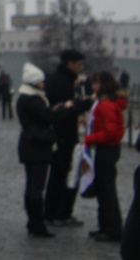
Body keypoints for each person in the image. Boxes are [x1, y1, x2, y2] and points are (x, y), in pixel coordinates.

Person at [16, 61, 73, 238]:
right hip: (38, 145)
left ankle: (33, 222)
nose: (44, 84)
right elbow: (49, 116)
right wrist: (67, 108)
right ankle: (37, 223)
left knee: (32, 185)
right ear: (35, 83)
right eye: (41, 81)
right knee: (36, 187)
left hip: (29, 144)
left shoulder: (25, 98)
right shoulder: (33, 100)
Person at [44, 48, 90, 227]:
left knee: (57, 175)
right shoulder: (63, 82)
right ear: (70, 64)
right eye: (79, 64)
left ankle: (51, 212)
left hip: (61, 135)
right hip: (64, 137)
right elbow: (64, 110)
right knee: (65, 175)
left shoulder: (57, 79)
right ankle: (60, 213)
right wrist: (83, 104)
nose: (81, 67)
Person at [83, 70, 127, 242]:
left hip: (107, 148)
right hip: (107, 148)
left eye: (96, 83)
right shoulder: (106, 103)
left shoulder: (106, 105)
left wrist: (89, 139)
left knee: (106, 190)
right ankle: (105, 227)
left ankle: (113, 229)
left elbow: (109, 133)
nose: (93, 86)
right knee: (103, 188)